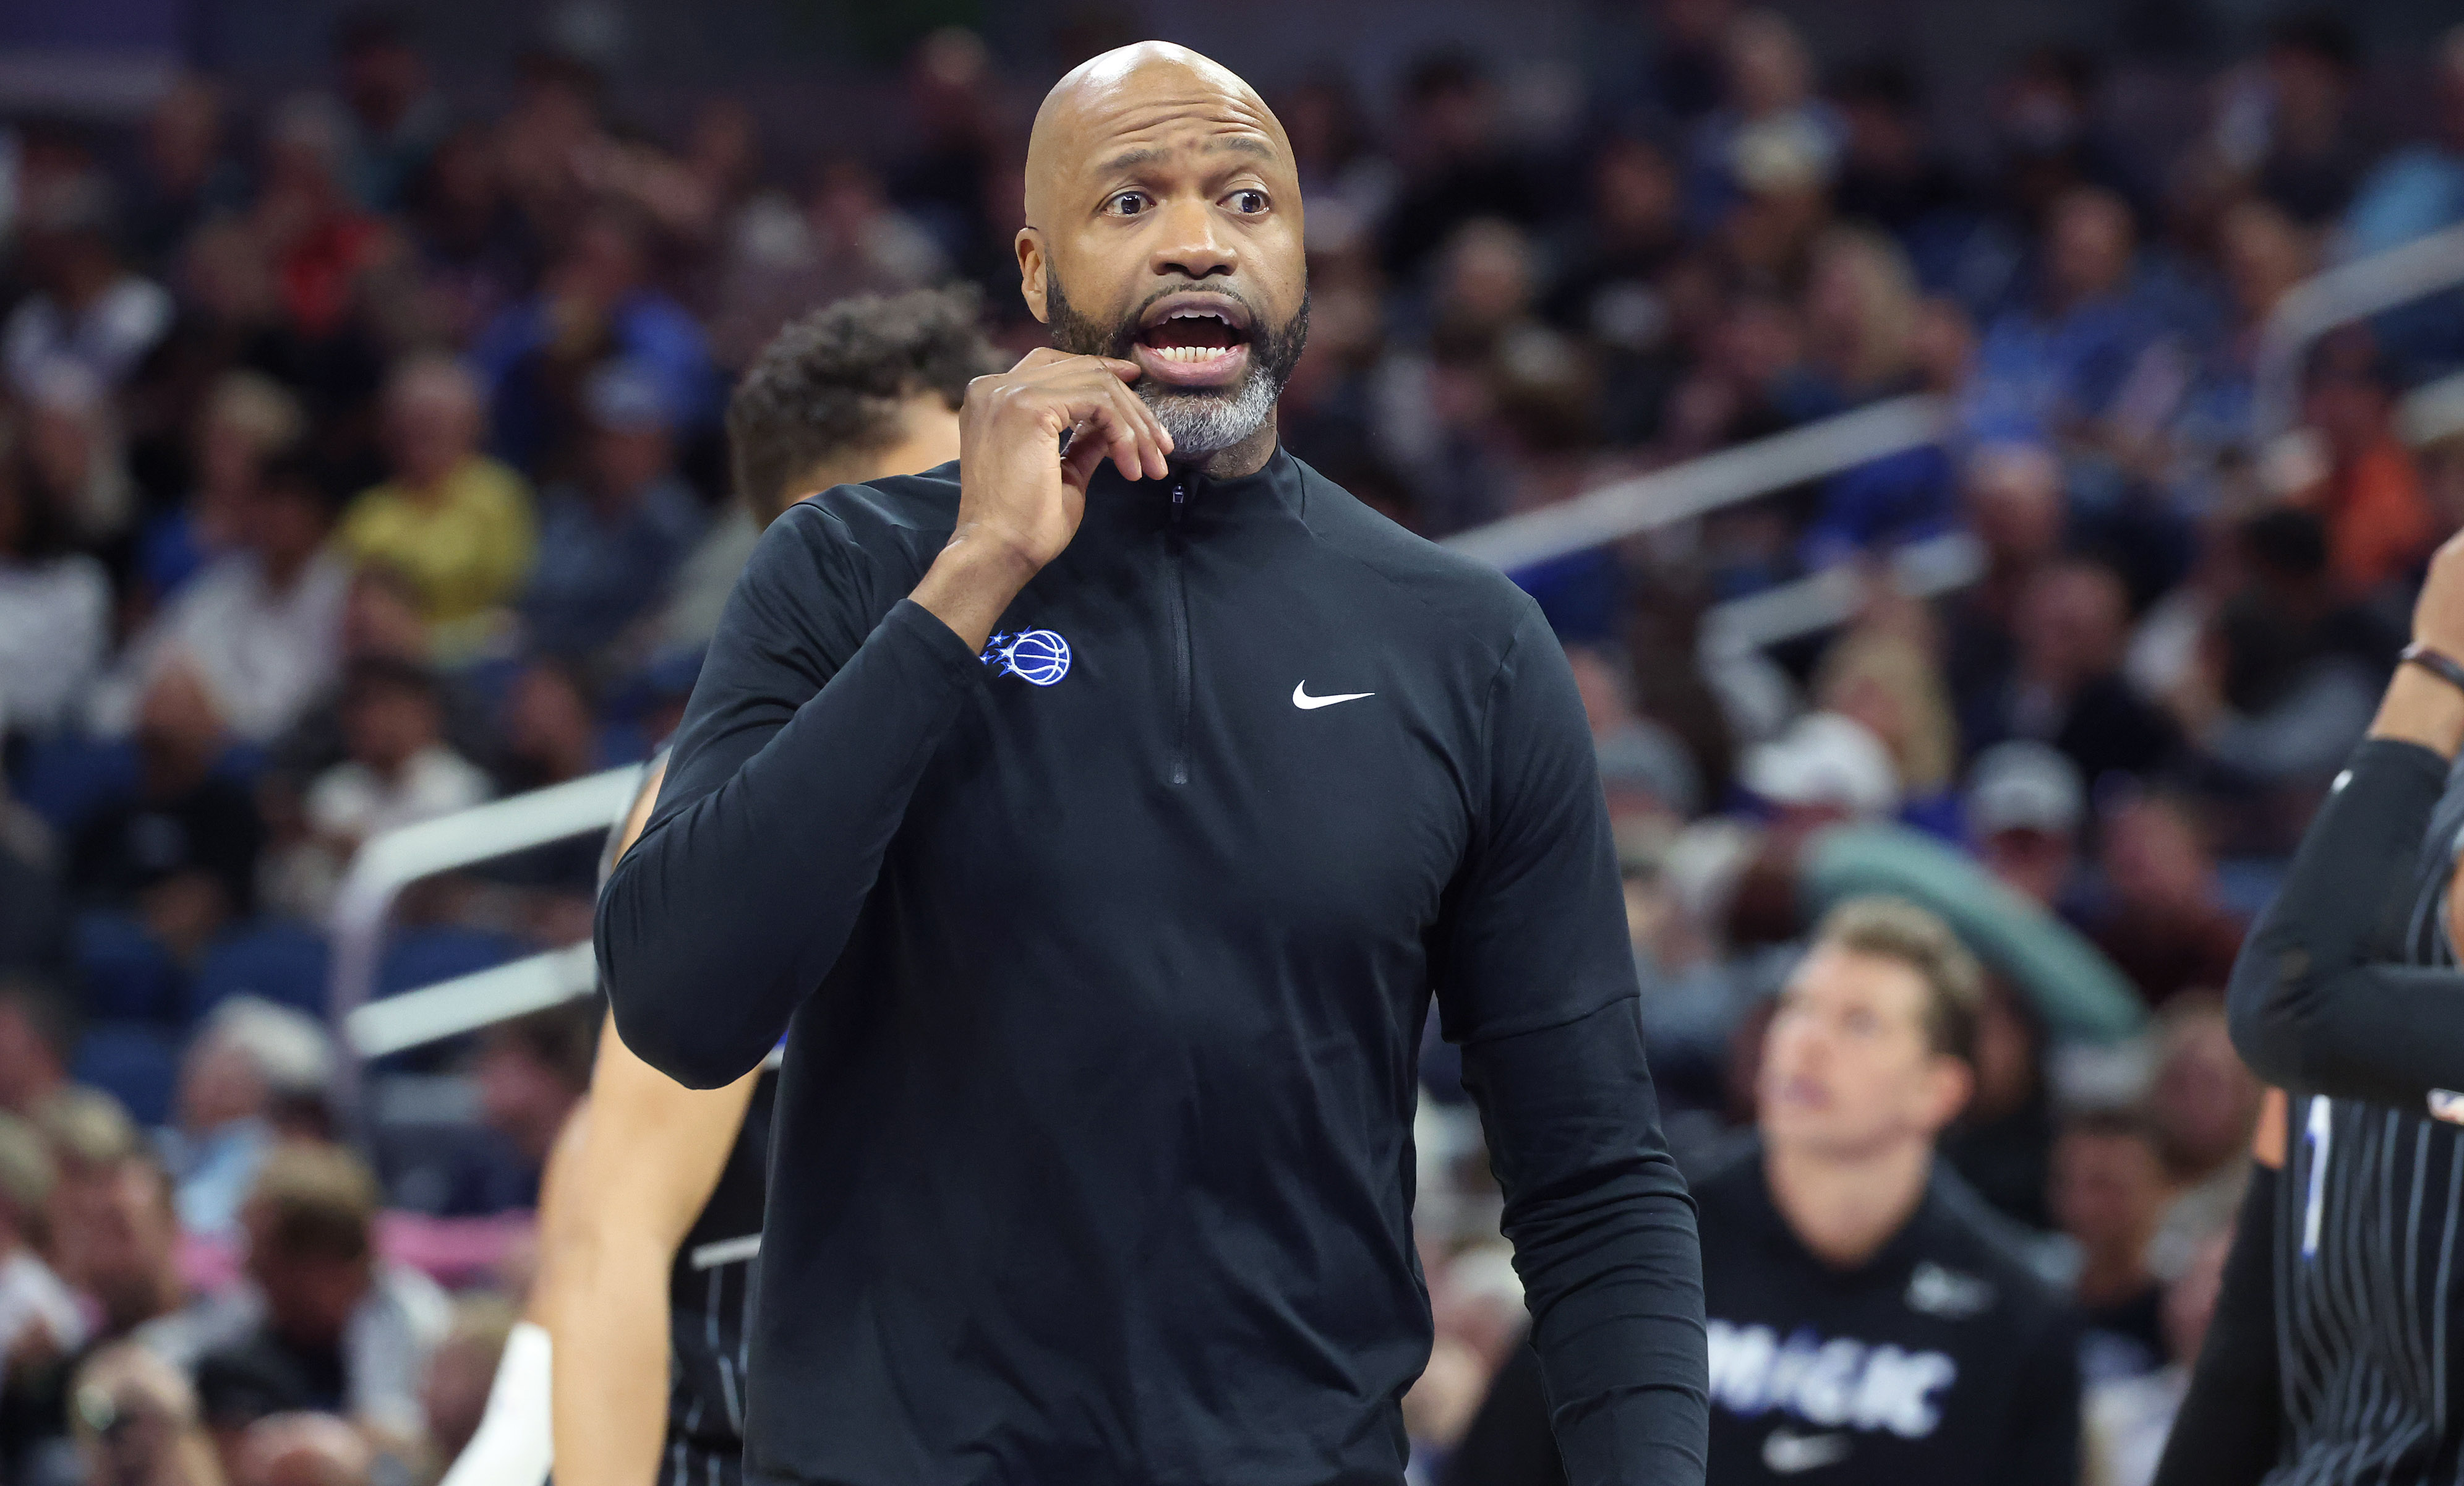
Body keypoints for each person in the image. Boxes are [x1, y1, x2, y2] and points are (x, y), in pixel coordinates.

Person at [597, 41, 1707, 1486]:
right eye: (1132, 203)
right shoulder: (851, 568)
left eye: (1249, 203)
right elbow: (684, 1003)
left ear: (1304, 259)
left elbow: (1596, 1182)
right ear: (1037, 267)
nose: (1199, 241)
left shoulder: (1468, 644)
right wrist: (975, 573)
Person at [1447, 897, 2077, 1486]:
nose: (1807, 1042)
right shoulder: (1633, 1245)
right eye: (1798, 1007)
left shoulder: (2019, 1318)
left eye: (1860, 1024)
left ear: (1940, 1090)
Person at [2155, 525, 2464, 1486]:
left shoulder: (2416, 749)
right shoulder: (2417, 797)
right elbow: (2255, 1312)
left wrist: (2437, 660)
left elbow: (2293, 1000)